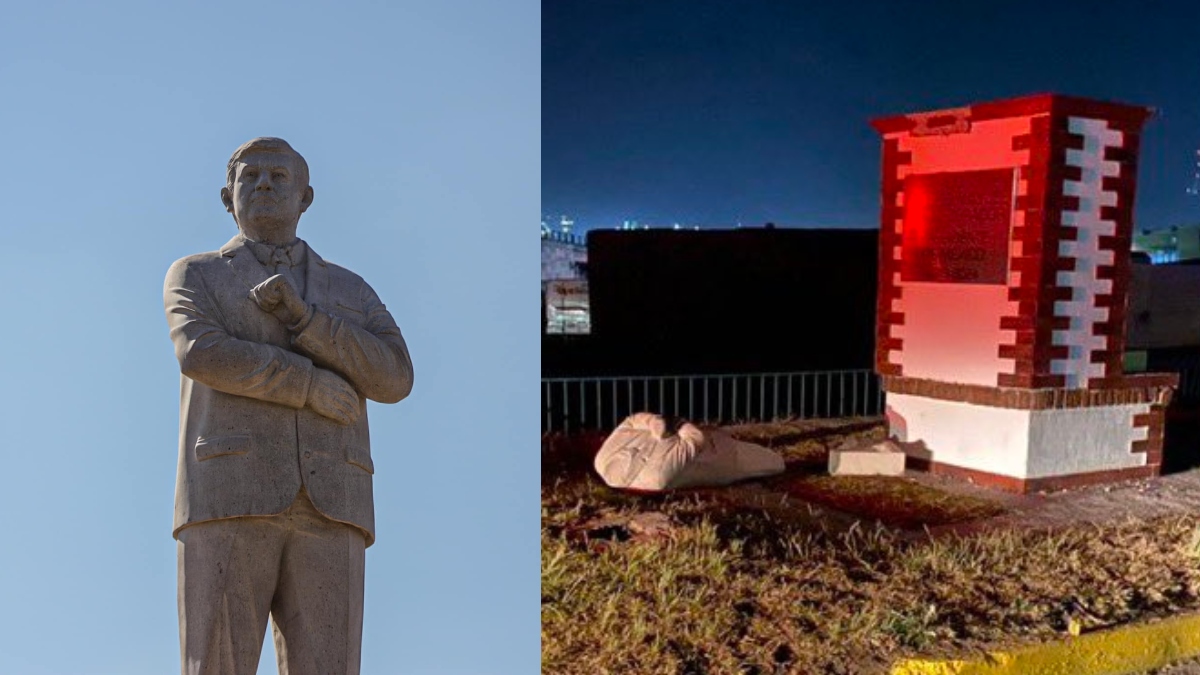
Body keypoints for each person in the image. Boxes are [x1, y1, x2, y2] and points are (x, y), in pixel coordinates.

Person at [163, 137, 414, 674]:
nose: (264, 185)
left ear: (307, 197)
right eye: (249, 177)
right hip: (228, 492)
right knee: (216, 665)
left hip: (336, 500)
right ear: (226, 197)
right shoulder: (196, 274)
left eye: (279, 177)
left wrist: (310, 323)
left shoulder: (351, 289)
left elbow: (394, 376)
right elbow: (201, 352)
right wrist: (306, 384)